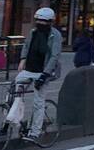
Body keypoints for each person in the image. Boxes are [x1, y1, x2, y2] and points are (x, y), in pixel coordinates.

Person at [15, 8, 62, 142]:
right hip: (29, 68)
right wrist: (23, 59)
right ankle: (14, 121)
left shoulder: (55, 35)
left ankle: (35, 132)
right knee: (13, 93)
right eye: (37, 20)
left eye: (42, 21)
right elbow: (26, 45)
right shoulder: (33, 32)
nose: (39, 23)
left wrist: (45, 75)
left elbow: (54, 56)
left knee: (38, 102)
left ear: (50, 22)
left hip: (42, 71)